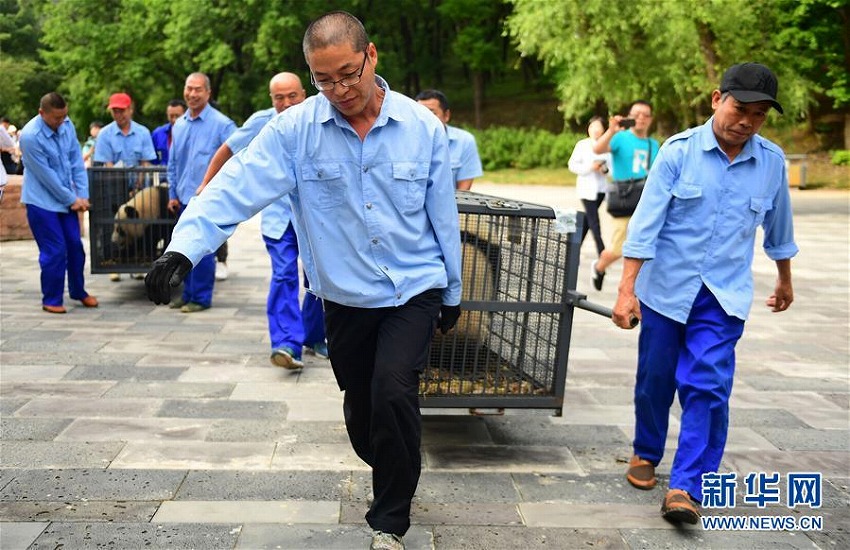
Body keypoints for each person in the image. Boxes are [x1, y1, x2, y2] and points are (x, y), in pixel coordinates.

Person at [145, 12, 461, 549]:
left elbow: (442, 216)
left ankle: (389, 517)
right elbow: (236, 185)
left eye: (348, 74)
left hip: (413, 287)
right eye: (323, 79)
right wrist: (183, 248)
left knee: (393, 390)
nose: (339, 89)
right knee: (363, 409)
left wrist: (451, 292)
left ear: (372, 56)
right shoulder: (294, 132)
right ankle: (391, 460)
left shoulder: (421, 127)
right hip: (343, 295)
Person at [612, 63, 797, 525]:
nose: (747, 121)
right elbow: (645, 226)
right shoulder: (678, 153)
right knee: (655, 381)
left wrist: (785, 278)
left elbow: (779, 230)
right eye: (740, 108)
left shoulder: (772, 163)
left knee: (708, 387)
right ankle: (646, 450)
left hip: (723, 297)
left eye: (759, 114)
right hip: (666, 291)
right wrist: (626, 290)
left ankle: (686, 485)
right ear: (717, 99)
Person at [196, 72, 328, 368]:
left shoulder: (319, 116)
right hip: (279, 219)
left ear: (303, 94)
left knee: (319, 279)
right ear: (271, 99)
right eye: (279, 97)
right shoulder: (262, 120)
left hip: (316, 219)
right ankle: (286, 344)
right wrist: (206, 184)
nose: (286, 103)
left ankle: (316, 336)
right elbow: (228, 149)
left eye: (292, 96)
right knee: (284, 274)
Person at [19, 92, 98, 314]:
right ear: (41, 113)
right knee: (55, 250)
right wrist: (72, 199)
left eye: (64, 116)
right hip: (41, 202)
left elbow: (75, 160)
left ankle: (78, 291)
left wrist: (82, 194)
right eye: (56, 118)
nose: (61, 122)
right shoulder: (30, 136)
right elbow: (46, 177)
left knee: (75, 246)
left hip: (66, 200)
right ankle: (51, 298)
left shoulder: (66, 124)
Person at [165, 72, 236, 313]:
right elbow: (173, 163)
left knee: (204, 250)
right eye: (189, 89)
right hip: (184, 196)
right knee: (185, 247)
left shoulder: (222, 124)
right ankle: (187, 293)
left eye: (198, 89)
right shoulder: (180, 124)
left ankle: (201, 297)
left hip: (210, 198)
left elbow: (237, 159)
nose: (192, 94)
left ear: (208, 93)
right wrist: (172, 193)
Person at [590, 100, 659, 290]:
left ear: (651, 119)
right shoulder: (621, 138)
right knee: (618, 248)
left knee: (646, 246)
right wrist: (612, 130)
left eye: (645, 115)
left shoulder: (654, 144)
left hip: (646, 202)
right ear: (629, 116)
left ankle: (636, 287)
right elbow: (597, 149)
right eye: (636, 114)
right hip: (625, 200)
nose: (641, 118)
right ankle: (599, 266)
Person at [95, 92, 158, 282]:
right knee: (113, 224)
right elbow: (106, 165)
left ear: (130, 110)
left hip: (137, 187)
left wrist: (139, 186)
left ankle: (137, 263)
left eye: (121, 110)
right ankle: (113, 262)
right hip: (113, 184)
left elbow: (145, 163)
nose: (118, 115)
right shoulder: (105, 134)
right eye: (114, 111)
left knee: (137, 225)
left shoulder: (143, 132)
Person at [414, 89, 483, 190]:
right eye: (419, 114)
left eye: (431, 114)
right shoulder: (403, 141)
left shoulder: (464, 141)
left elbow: (463, 191)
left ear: (446, 115)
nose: (424, 119)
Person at [568, 116, 610, 256]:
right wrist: (590, 167)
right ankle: (601, 250)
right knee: (594, 221)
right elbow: (572, 165)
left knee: (587, 219)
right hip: (586, 189)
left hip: (601, 189)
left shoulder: (608, 146)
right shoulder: (582, 144)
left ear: (604, 129)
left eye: (598, 127)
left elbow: (611, 168)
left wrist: (603, 169)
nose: (595, 130)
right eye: (592, 126)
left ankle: (573, 249)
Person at [151, 99, 187, 168]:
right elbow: (151, 159)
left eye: (177, 116)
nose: (174, 120)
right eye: (171, 116)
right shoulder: (157, 133)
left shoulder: (191, 132)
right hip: (163, 175)